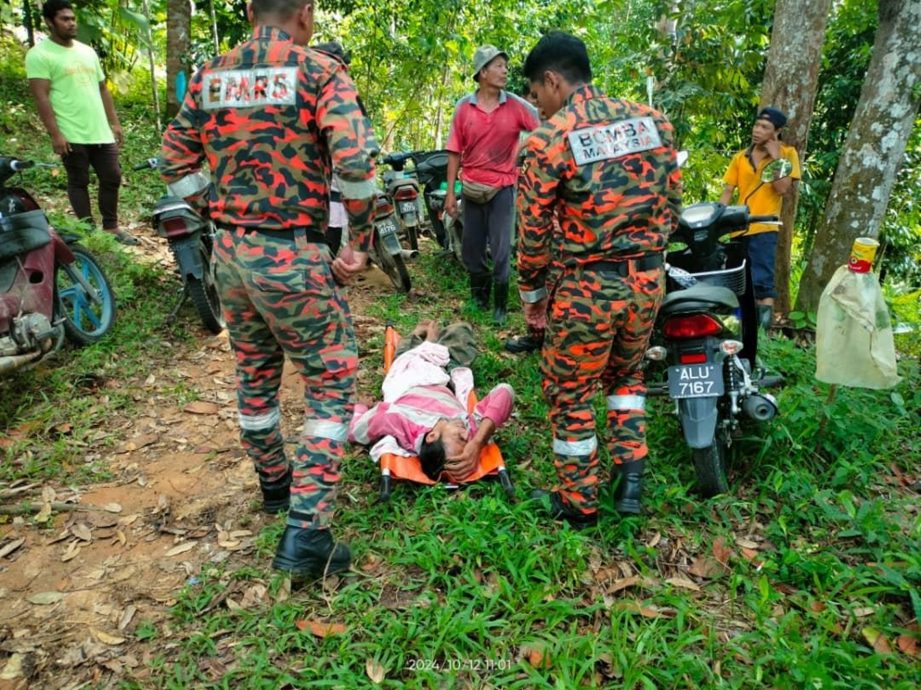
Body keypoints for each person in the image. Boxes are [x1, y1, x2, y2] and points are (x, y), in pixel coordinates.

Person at [160, 0, 378, 579]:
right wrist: (358, 239)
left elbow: (172, 157)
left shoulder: (212, 73)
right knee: (331, 380)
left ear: (253, 10)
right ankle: (306, 534)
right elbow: (355, 165)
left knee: (255, 370)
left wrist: (216, 207)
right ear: (304, 13)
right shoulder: (318, 72)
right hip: (294, 254)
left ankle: (276, 484)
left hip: (230, 254)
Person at [517, 32, 681, 525]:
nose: (536, 104)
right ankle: (629, 481)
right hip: (649, 281)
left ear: (552, 80)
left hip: (589, 288)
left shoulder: (551, 138)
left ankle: (578, 502)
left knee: (570, 393)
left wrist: (534, 296)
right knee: (626, 376)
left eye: (535, 92)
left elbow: (531, 233)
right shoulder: (654, 123)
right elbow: (672, 209)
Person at [25, 0, 138, 245]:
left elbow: (103, 89)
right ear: (49, 22)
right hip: (71, 131)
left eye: (72, 18)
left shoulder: (87, 51)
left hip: (99, 129)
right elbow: (41, 97)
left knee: (112, 176)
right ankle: (88, 231)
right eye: (65, 19)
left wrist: (114, 123)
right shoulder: (39, 55)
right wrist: (56, 134)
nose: (71, 23)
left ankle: (111, 227)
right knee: (79, 181)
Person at [444, 45, 540, 325]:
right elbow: (454, 151)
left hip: (503, 189)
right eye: (498, 66)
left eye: (505, 66)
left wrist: (525, 144)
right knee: (472, 251)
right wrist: (451, 193)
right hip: (472, 188)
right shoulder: (464, 107)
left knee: (501, 251)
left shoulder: (516, 106)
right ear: (482, 72)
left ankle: (499, 306)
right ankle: (479, 297)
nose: (504, 71)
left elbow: (544, 128)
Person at [350, 321, 514, 482]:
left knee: (408, 349)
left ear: (432, 436)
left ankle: (423, 337)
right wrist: (478, 443)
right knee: (461, 329)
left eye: (460, 438)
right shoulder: (470, 433)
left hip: (411, 374)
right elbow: (505, 391)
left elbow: (354, 430)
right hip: (444, 375)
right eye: (467, 441)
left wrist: (362, 407)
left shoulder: (401, 423)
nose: (466, 434)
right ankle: (433, 340)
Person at [718, 107, 801, 329]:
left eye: (765, 127)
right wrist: (718, 216)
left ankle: (762, 334)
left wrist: (776, 157)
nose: (757, 130)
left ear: (777, 132)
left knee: (762, 283)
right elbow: (728, 190)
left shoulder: (788, 154)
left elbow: (782, 189)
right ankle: (739, 329)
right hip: (739, 227)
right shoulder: (740, 157)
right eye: (756, 125)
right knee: (738, 281)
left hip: (764, 227)